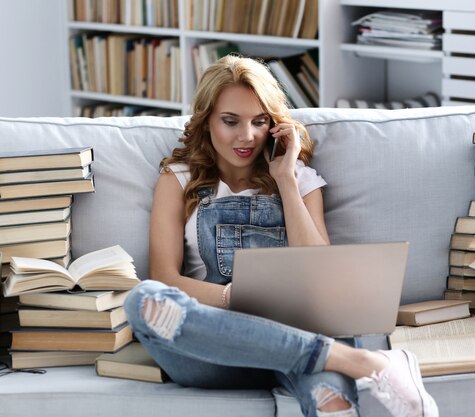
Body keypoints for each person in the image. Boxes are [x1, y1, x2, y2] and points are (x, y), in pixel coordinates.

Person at [123, 55, 438, 417]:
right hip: (215, 346)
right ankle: (364, 362)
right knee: (143, 300)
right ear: (206, 119)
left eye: (259, 122)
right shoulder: (178, 178)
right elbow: (165, 278)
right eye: (230, 121)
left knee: (330, 400)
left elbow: (322, 269)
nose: (247, 137)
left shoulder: (298, 178)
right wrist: (235, 297)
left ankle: (333, 360)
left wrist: (286, 180)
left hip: (295, 330)